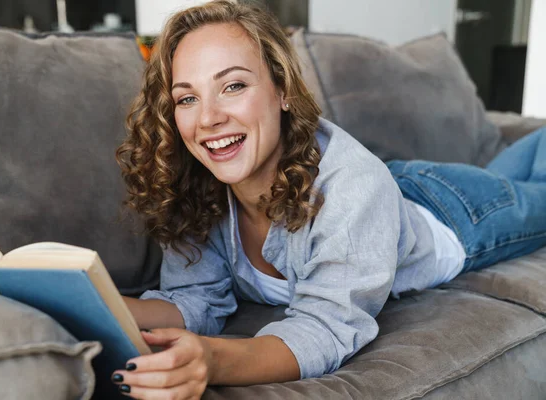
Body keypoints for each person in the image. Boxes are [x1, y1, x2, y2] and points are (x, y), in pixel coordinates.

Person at [113, 1, 546, 398]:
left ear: (282, 91)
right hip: (390, 192)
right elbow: (195, 300)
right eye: (188, 98)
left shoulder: (353, 186)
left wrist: (212, 358)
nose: (208, 118)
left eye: (233, 86)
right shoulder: (198, 183)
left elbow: (326, 327)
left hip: (452, 213)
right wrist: (101, 305)